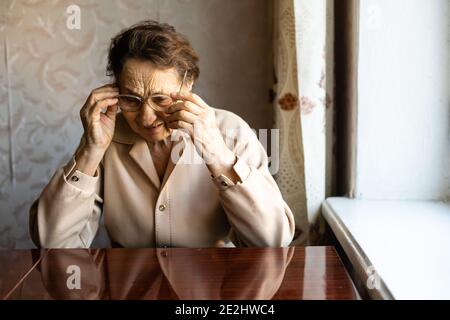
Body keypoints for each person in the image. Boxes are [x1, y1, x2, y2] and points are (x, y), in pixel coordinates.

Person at [29, 20, 295, 248]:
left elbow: (272, 240)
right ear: (115, 90)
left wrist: (216, 152)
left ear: (188, 83)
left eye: (160, 98)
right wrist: (90, 150)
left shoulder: (232, 132)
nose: (146, 117)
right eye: (131, 99)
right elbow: (52, 242)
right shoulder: (106, 137)